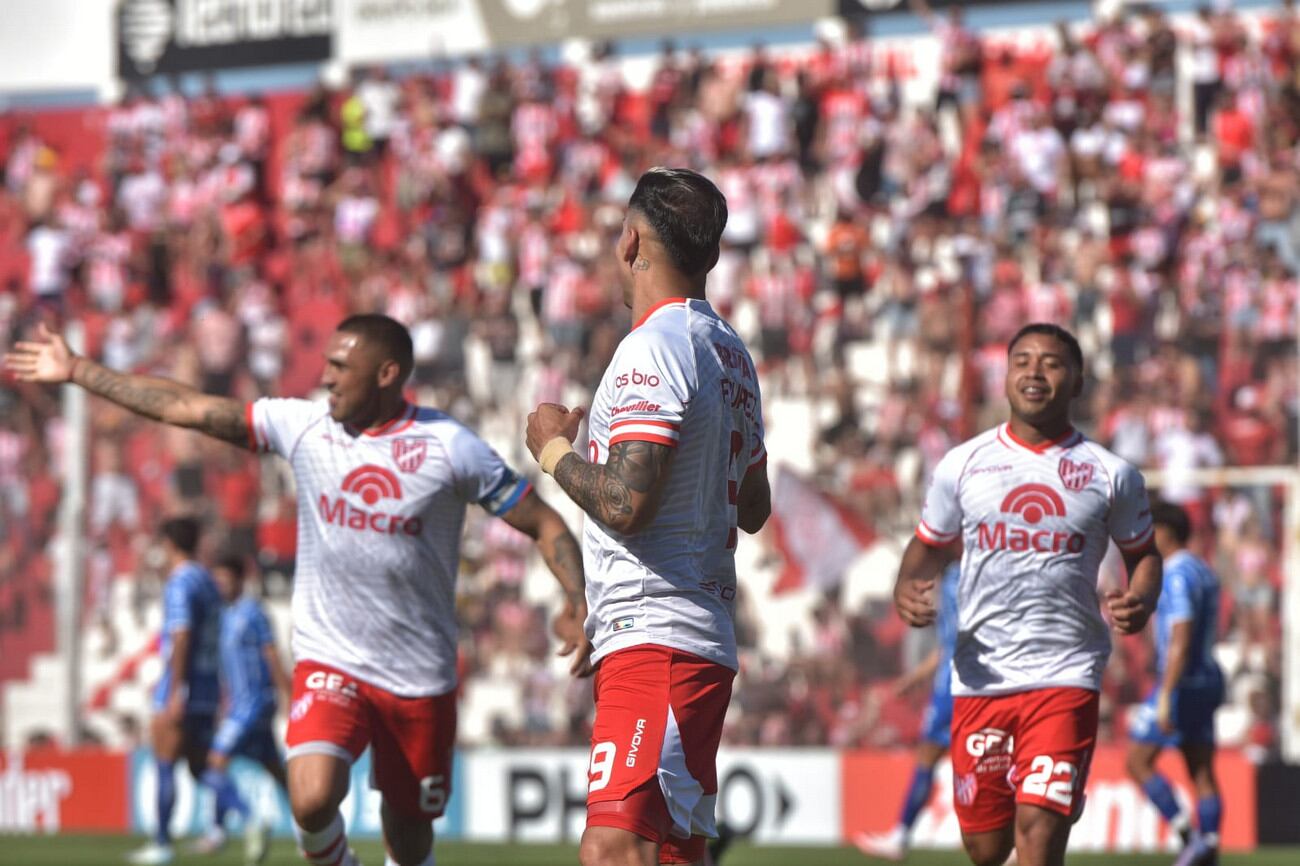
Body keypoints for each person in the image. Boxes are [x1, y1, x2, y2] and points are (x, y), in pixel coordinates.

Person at [7, 314, 592, 866]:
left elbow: (540, 522)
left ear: (387, 374)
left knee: (410, 840)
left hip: (419, 674)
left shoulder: (450, 448)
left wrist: (574, 599)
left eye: (341, 367)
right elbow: (188, 408)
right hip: (329, 658)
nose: (326, 376)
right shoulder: (304, 424)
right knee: (310, 799)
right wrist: (80, 369)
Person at [525, 167, 770, 866]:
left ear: (630, 242)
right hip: (695, 635)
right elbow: (754, 507)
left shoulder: (653, 348)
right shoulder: (732, 354)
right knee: (668, 853)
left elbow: (625, 504)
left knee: (612, 849)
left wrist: (552, 452)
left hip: (656, 636)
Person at [893, 323, 1162, 866]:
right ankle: (1054, 798)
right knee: (987, 848)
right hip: (980, 679)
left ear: (1078, 381)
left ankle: (1057, 793)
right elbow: (927, 547)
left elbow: (1145, 555)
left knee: (1037, 838)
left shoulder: (1111, 473)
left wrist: (1144, 596)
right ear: (1006, 374)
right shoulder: (962, 465)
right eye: (1022, 360)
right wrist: (905, 587)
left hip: (1065, 674)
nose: (1034, 371)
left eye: (1051, 362)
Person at [1125, 501, 1224, 866]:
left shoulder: (1176, 573)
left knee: (1137, 760)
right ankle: (1208, 844)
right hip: (1207, 678)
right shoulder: (1203, 570)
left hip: (1181, 682)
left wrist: (1166, 693)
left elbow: (1181, 635)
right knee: (1200, 769)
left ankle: (1189, 837)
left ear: (1165, 532)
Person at [129, 517, 224, 865]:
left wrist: (175, 690)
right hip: (207, 685)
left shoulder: (181, 581)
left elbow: (180, 634)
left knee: (166, 763)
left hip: (182, 686)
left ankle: (162, 843)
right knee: (200, 766)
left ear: (168, 544)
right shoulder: (209, 581)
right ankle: (243, 812)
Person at [191, 554, 292, 865]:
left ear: (239, 579)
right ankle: (312, 825)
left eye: (225, 579)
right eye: (217, 579)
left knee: (215, 762)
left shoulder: (253, 612)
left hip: (255, 702)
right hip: (238, 704)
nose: (220, 585)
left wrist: (287, 694)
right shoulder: (223, 614)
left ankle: (250, 821)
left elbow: (271, 652)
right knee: (276, 770)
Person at [855, 562, 959, 861]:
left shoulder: (962, 577)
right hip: (957, 682)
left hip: (959, 685)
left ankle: (901, 834)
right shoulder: (954, 578)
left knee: (936, 755)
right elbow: (948, 645)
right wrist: (913, 679)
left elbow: (957, 644)